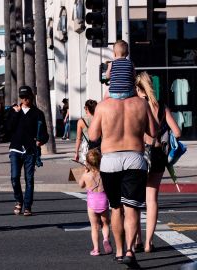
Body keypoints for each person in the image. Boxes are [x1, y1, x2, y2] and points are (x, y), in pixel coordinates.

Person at [88, 94, 156, 267]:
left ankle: (119, 252)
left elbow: (93, 135)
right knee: (132, 208)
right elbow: (153, 132)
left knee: (116, 208)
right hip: (135, 158)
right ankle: (129, 250)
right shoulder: (141, 104)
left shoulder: (104, 105)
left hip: (110, 160)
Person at [134, 71, 181, 253]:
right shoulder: (161, 106)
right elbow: (177, 132)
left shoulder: (137, 105)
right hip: (158, 154)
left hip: (140, 155)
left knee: (135, 199)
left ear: (139, 89)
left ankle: (137, 239)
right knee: (152, 199)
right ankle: (148, 243)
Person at [6, 86, 48, 216]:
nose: (25, 100)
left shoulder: (38, 113)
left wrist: (41, 141)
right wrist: (16, 113)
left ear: (32, 96)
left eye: (27, 97)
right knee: (14, 177)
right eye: (22, 97)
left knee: (29, 179)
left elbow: (45, 134)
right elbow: (8, 129)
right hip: (15, 149)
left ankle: (27, 206)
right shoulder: (14, 112)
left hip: (30, 150)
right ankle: (19, 200)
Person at [77, 149, 112, 256]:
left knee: (94, 227)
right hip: (103, 201)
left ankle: (96, 249)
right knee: (105, 224)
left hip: (92, 203)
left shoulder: (86, 175)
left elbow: (81, 185)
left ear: (87, 163)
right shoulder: (104, 174)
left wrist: (84, 172)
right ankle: (106, 239)